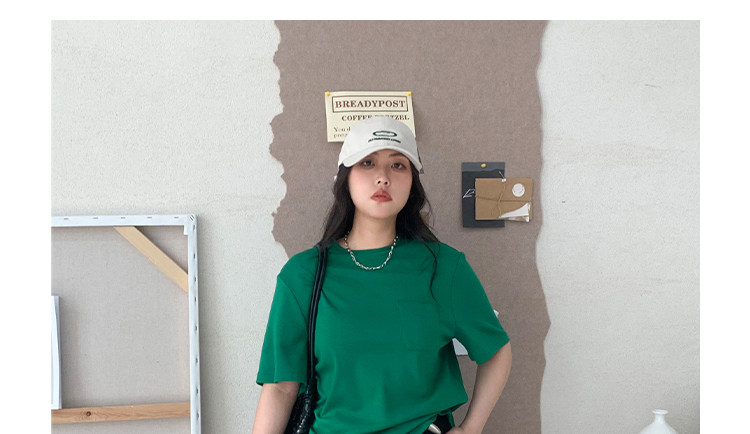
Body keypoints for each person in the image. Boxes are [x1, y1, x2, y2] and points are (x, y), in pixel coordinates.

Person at [253, 116, 512, 434]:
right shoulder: (302, 276)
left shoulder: (443, 267)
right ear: (345, 178)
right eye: (368, 163)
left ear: (412, 183)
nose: (383, 178)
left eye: (398, 165)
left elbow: (495, 350)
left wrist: (471, 428)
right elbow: (280, 388)